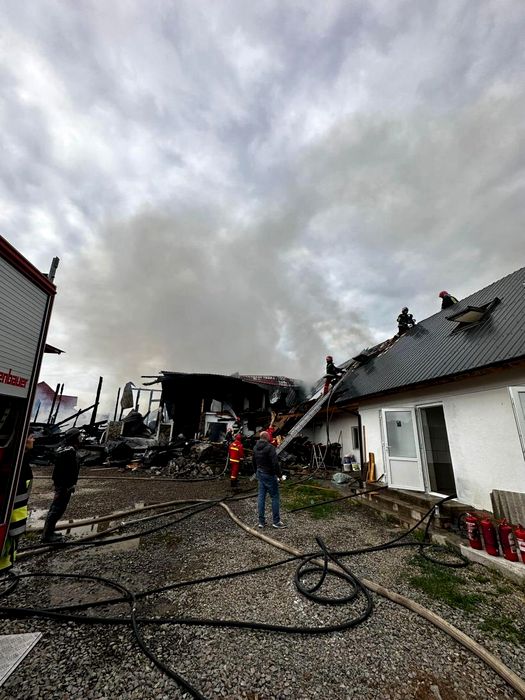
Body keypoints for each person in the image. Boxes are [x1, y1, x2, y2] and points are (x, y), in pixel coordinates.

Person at [0, 432, 34, 573]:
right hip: (10, 525)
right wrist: (17, 528)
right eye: (31, 436)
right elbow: (17, 500)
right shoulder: (16, 466)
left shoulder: (18, 460)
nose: (34, 439)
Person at [41, 427, 82, 543]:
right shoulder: (68, 452)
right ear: (74, 438)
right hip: (64, 486)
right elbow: (64, 472)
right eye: (79, 436)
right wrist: (67, 485)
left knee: (58, 508)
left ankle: (49, 532)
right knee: (57, 509)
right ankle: (47, 535)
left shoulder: (66, 450)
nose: (81, 438)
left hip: (64, 485)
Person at [253, 431, 285, 529]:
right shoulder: (270, 447)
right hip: (269, 475)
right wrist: (280, 476)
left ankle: (261, 522)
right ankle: (276, 522)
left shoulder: (255, 447)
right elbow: (275, 463)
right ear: (267, 437)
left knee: (261, 497)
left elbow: (253, 461)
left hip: (260, 473)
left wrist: (256, 472)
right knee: (275, 497)